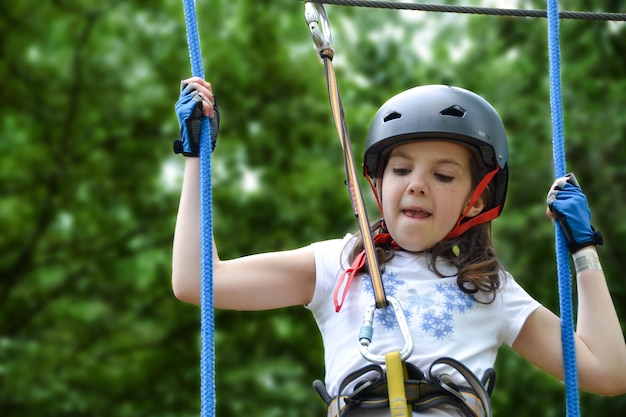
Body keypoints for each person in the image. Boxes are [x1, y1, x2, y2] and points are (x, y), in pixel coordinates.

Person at [171, 77, 626, 416]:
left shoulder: (490, 290)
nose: (417, 186)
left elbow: (607, 371)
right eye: (401, 169)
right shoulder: (340, 264)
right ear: (377, 183)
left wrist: (583, 251)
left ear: (477, 198)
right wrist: (197, 160)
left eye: (443, 175)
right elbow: (199, 281)